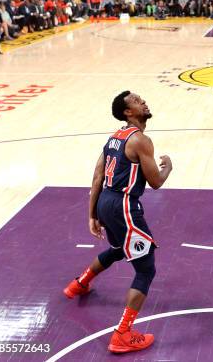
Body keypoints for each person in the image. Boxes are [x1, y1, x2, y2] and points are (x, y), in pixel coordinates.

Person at [63, 91, 172, 353]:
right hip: (124, 206)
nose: (143, 101)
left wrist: (92, 214)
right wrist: (168, 166)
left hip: (106, 203)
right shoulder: (140, 140)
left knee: (117, 249)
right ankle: (122, 334)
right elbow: (156, 182)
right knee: (146, 270)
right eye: (136, 101)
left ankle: (79, 284)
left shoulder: (114, 138)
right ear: (128, 112)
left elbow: (97, 177)